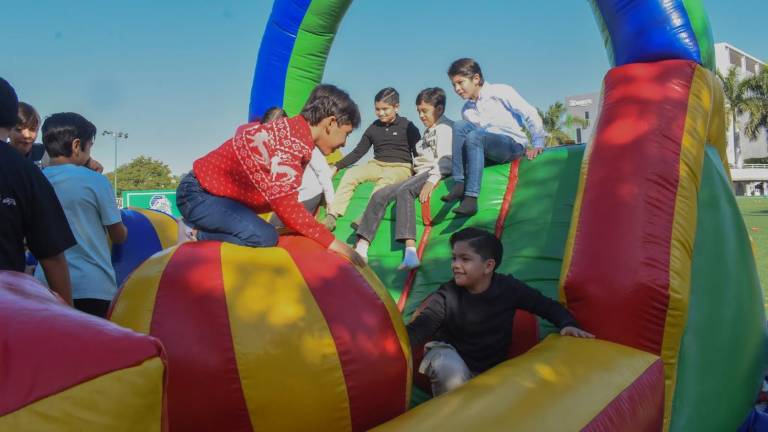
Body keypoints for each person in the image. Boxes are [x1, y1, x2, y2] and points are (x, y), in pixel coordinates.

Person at [176, 84, 365, 266]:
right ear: (331, 123)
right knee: (263, 237)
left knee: (267, 231)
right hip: (199, 196)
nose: (344, 143)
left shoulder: (294, 133)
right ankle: (193, 233)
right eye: (346, 134)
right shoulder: (292, 142)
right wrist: (334, 243)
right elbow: (285, 204)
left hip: (211, 196)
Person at [406, 227, 594, 396]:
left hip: (488, 370)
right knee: (448, 367)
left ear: (488, 266)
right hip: (448, 354)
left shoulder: (508, 289)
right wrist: (394, 346)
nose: (455, 264)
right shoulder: (447, 295)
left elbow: (545, 306)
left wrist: (568, 323)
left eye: (465, 259)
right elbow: (421, 327)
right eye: (454, 258)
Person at [33, 112, 127, 318]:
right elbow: (118, 235)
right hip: (94, 287)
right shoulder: (96, 181)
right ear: (77, 146)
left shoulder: (35, 180)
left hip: (44, 287)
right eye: (90, 146)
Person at [353, 87, 453, 269]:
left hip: (431, 172)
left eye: (425, 111)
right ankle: (362, 245)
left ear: (439, 109)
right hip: (419, 172)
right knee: (380, 194)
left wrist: (432, 181)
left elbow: (446, 160)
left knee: (404, 191)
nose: (421, 116)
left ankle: (410, 252)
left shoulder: (445, 128)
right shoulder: (429, 130)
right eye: (419, 111)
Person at [0, 77, 76, 304]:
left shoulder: (28, 168)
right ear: (11, 118)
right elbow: (52, 256)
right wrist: (68, 317)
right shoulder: (25, 172)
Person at [442, 58, 547, 216]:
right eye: (453, 85)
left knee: (475, 136)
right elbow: (471, 142)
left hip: (512, 145)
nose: (457, 89)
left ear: (476, 79)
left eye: (460, 82)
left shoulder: (500, 92)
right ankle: (459, 182)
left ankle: (471, 198)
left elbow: (529, 113)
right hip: (487, 146)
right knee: (459, 126)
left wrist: (538, 143)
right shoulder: (466, 110)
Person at [324, 87, 421, 230]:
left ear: (396, 107)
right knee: (352, 173)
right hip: (376, 165)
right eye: (377, 109)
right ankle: (332, 215)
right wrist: (337, 166)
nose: (380, 113)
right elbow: (358, 152)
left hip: (401, 166)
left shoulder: (408, 126)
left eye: (385, 109)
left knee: (386, 180)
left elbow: (418, 152)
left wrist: (421, 174)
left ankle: (366, 216)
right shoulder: (373, 128)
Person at [263, 107, 336, 231]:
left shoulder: (304, 141)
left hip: (307, 194)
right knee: (269, 229)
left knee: (274, 230)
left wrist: (331, 207)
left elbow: (323, 173)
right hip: (291, 198)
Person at [9, 101, 104, 172]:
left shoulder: (43, 153)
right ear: (8, 129)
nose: (27, 135)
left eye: (32, 129)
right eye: (19, 129)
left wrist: (89, 162)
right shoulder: (3, 155)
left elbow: (67, 155)